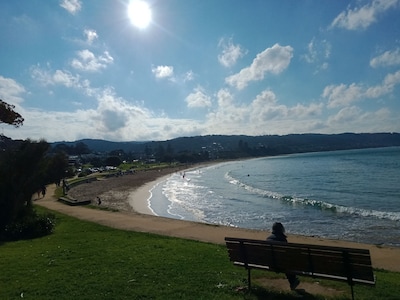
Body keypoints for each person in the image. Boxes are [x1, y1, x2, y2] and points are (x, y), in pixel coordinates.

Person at [267, 222, 300, 290]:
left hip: (271, 264)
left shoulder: (268, 239)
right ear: (281, 229)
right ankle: (293, 281)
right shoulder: (282, 239)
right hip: (280, 264)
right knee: (287, 262)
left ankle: (293, 282)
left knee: (284, 262)